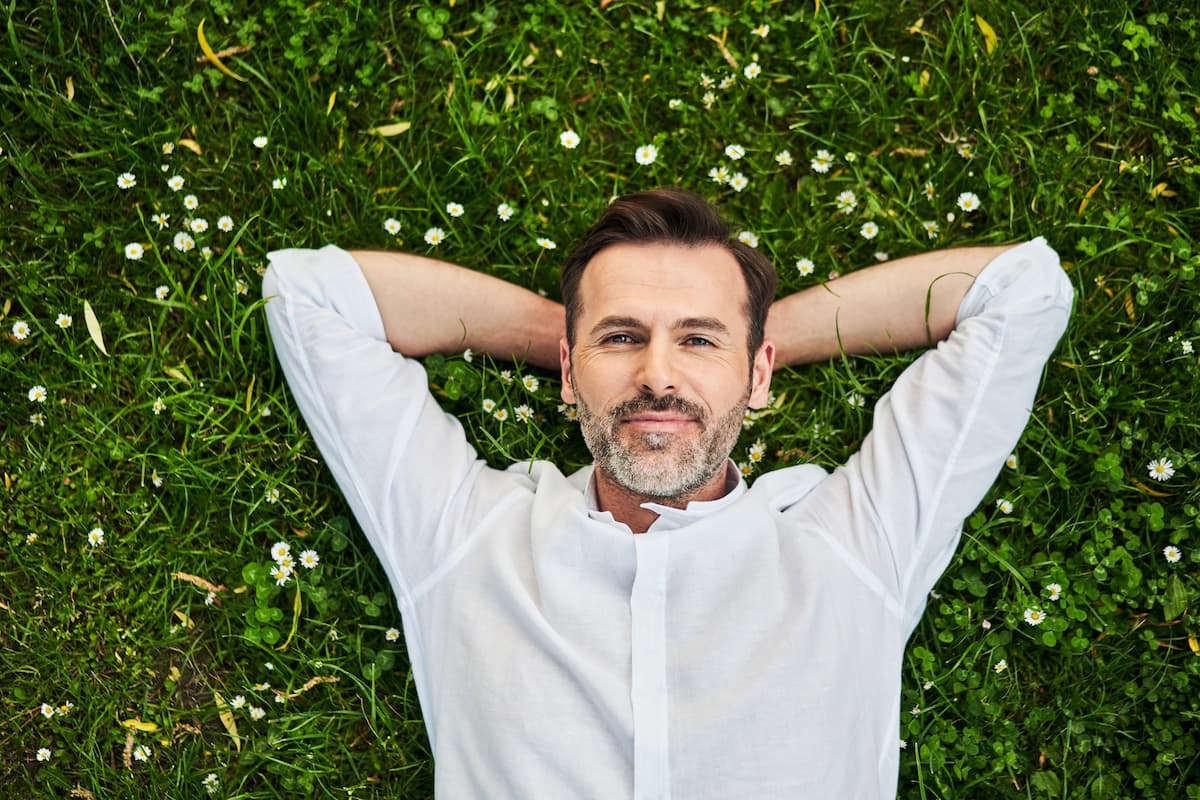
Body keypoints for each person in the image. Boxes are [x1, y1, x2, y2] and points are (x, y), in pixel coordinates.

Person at [263, 188, 1073, 798]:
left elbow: (1022, 290)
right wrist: (582, 347)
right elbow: (308, 296)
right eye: (622, 339)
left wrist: (755, 337)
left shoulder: (856, 549)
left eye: (698, 339)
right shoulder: (467, 539)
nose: (656, 373)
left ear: (759, 373)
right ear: (569, 371)